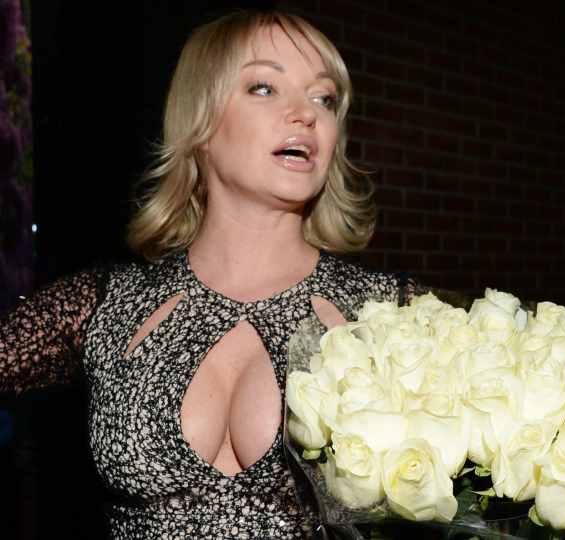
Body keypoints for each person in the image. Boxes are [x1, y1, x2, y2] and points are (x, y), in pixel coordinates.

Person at [0, 10, 412, 539]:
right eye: (264, 88)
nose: (305, 115)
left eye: (324, 98)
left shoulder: (393, 318)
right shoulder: (105, 305)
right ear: (200, 123)